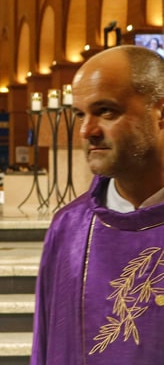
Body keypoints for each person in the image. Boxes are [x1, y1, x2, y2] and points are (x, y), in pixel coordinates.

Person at [31, 45, 164, 364]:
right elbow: (46, 344)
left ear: (159, 114)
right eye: (80, 114)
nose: (86, 131)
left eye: (106, 111)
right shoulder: (69, 228)